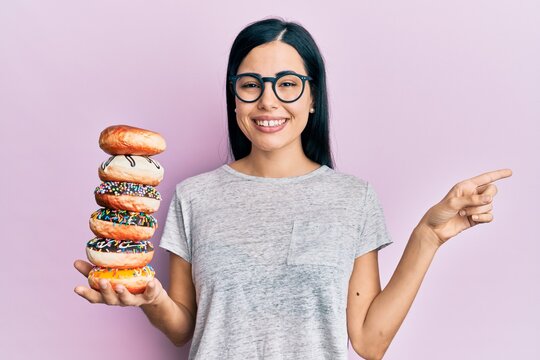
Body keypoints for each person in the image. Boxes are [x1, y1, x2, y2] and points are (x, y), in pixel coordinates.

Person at [74, 17, 512, 360]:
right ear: (234, 98)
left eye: (287, 84)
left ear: (312, 97)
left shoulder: (352, 198)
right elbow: (183, 328)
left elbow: (369, 342)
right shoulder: (193, 196)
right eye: (251, 85)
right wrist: (151, 298)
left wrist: (428, 237)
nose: (268, 101)